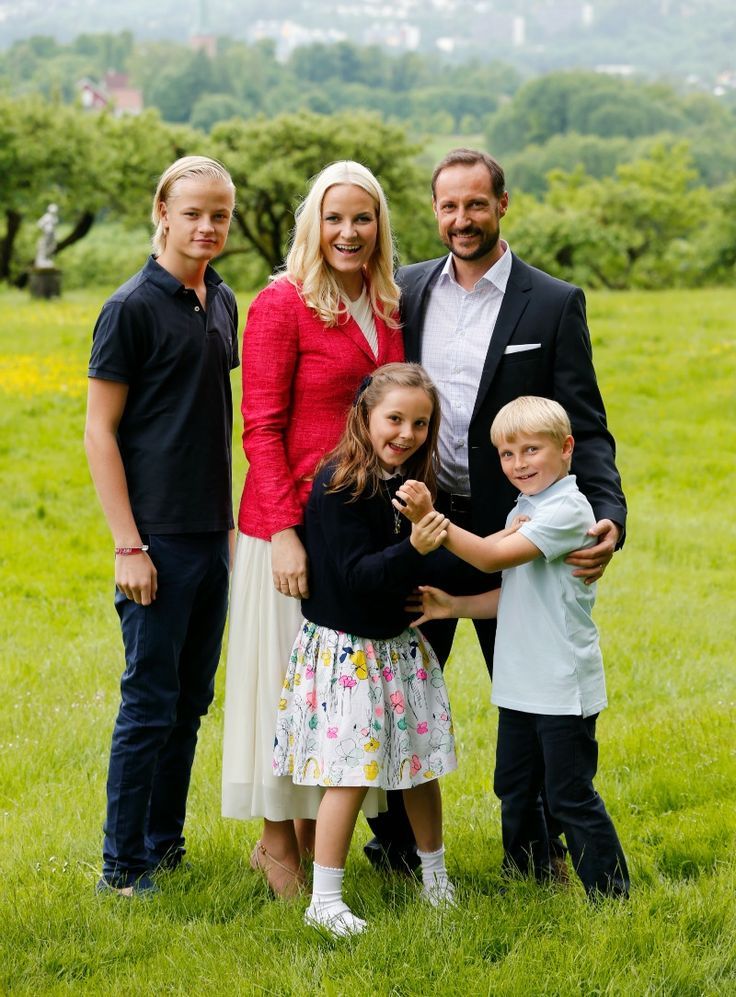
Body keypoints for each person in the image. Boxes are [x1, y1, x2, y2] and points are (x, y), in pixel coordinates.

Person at [364, 147, 627, 872]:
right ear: (434, 210)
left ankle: (535, 854)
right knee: (401, 688)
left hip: (514, 531)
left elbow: (586, 427)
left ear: (502, 205)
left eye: (476, 204)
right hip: (419, 525)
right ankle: (396, 848)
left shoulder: (553, 302)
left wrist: (608, 515)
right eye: (449, 206)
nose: (462, 219)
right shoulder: (405, 290)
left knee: (533, 701)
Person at [221, 161, 404, 897]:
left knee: (332, 692)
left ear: (380, 225)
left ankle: (305, 836)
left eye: (362, 218)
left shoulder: (388, 304)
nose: (348, 232)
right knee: (282, 686)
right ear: (313, 225)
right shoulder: (282, 302)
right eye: (334, 218)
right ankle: (277, 845)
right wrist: (284, 533)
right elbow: (260, 428)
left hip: (358, 528)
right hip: (289, 528)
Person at [401, 395, 630, 899]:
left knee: (569, 795)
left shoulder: (567, 509)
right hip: (520, 682)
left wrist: (432, 519)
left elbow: (488, 558)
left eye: (531, 450)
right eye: (507, 454)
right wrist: (453, 606)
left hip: (561, 683)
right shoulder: (527, 506)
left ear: (566, 448)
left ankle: (613, 896)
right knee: (514, 785)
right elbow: (516, 592)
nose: (518, 464)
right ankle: (529, 878)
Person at [85, 156, 239, 895]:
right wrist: (129, 545)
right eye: (193, 213)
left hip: (215, 536)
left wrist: (233, 530)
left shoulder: (223, 299)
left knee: (190, 702)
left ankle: (163, 845)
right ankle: (122, 867)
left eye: (220, 215)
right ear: (163, 213)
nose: (207, 226)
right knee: (149, 704)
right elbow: (99, 432)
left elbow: (208, 420)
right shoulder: (129, 308)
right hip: (155, 540)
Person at [273, 362, 462, 936]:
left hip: (398, 650)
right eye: (395, 419)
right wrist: (415, 547)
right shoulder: (340, 484)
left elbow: (425, 563)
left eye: (420, 423)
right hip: (348, 656)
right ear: (365, 415)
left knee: (421, 767)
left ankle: (436, 880)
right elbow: (357, 576)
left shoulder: (409, 484)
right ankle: (324, 899)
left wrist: (430, 542)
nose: (407, 434)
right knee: (350, 773)